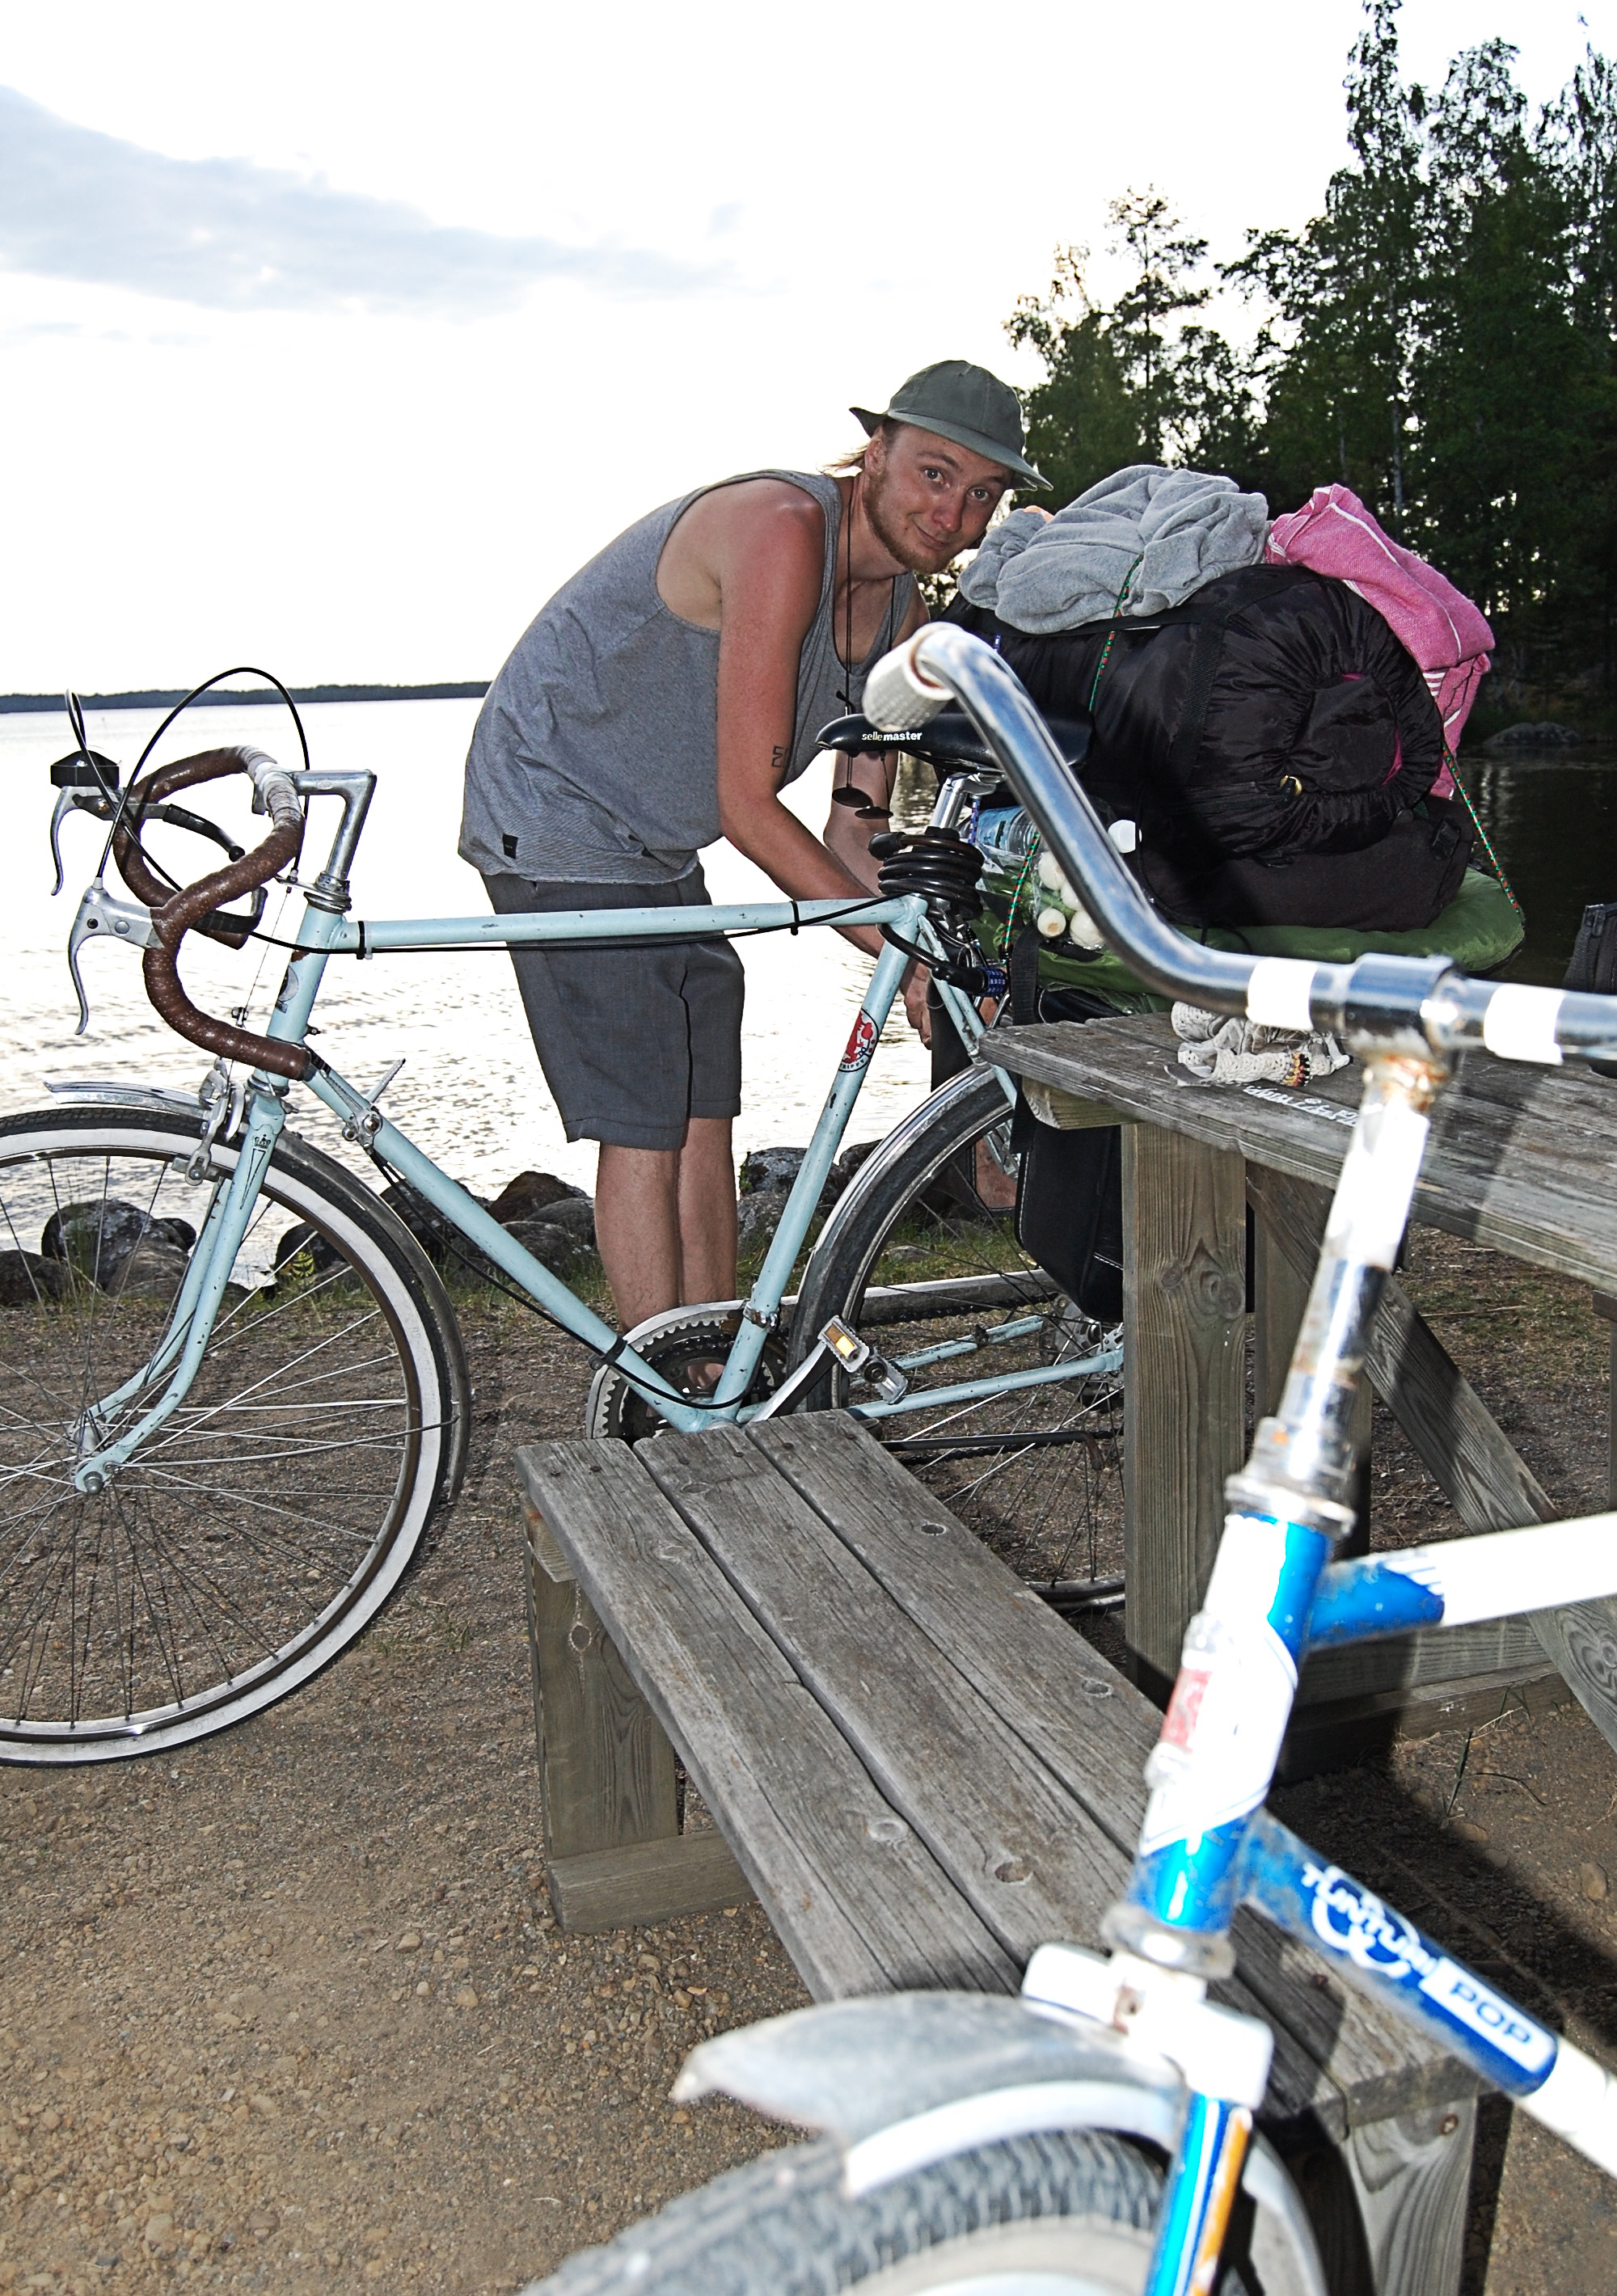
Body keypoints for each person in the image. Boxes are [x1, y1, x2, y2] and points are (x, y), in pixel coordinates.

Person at [459, 361, 1048, 1338]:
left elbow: (849, 825)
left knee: (702, 1111)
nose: (953, 512)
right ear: (877, 453)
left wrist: (927, 947)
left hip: (653, 840)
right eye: (934, 474)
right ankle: (659, 1392)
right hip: (554, 802)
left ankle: (713, 1353)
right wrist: (898, 947)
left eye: (982, 492)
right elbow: (746, 807)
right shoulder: (782, 532)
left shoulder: (900, 613)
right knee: (644, 1117)